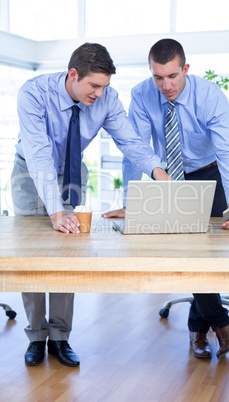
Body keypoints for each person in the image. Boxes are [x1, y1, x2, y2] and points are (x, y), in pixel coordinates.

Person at [11, 42, 169, 367]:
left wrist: (157, 171)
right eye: (94, 85)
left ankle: (60, 337)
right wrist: (55, 211)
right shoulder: (33, 94)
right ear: (73, 74)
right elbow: (39, 154)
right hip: (30, 173)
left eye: (104, 86)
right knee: (33, 256)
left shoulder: (106, 99)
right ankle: (36, 336)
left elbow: (129, 140)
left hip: (70, 172)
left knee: (66, 253)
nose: (99, 93)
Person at [103, 38, 229, 359]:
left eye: (172, 76)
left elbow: (227, 151)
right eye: (158, 77)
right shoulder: (141, 94)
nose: (165, 85)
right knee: (186, 252)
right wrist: (131, 198)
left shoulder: (209, 96)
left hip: (209, 174)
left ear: (186, 69)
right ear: (150, 72)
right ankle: (220, 324)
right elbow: (135, 148)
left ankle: (200, 330)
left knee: (206, 254)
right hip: (166, 177)